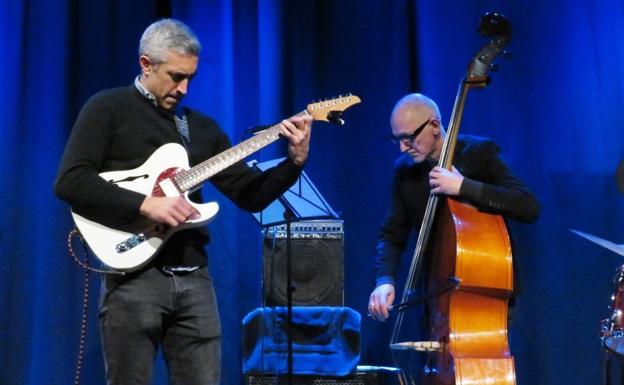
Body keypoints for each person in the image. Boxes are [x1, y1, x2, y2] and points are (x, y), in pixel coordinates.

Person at [54, 19, 313, 385]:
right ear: (146, 64)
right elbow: (70, 181)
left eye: (190, 77)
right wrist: (145, 204)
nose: (184, 88)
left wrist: (294, 162)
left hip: (195, 280)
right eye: (176, 76)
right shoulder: (107, 108)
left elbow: (251, 195)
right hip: (132, 279)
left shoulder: (202, 129)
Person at [368, 93, 539, 322]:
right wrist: (384, 280)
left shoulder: (480, 153)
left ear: (435, 126)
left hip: (485, 294)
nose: (402, 148)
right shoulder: (404, 172)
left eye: (408, 138)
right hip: (434, 298)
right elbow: (391, 235)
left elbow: (528, 206)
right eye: (396, 139)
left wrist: (464, 187)